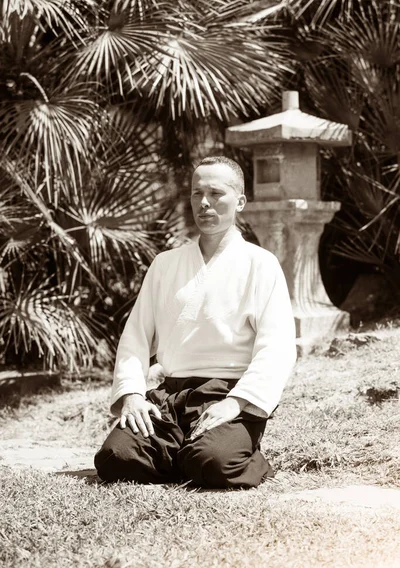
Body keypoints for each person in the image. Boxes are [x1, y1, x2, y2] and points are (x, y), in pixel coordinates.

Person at [95, 156, 296, 488]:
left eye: (216, 193)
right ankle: (184, 451)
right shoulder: (165, 264)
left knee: (214, 463)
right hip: (171, 397)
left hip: (229, 392)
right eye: (196, 193)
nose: (204, 203)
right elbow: (136, 337)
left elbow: (277, 348)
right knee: (115, 458)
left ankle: (219, 451)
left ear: (240, 201)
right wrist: (132, 394)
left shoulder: (261, 264)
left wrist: (235, 402)